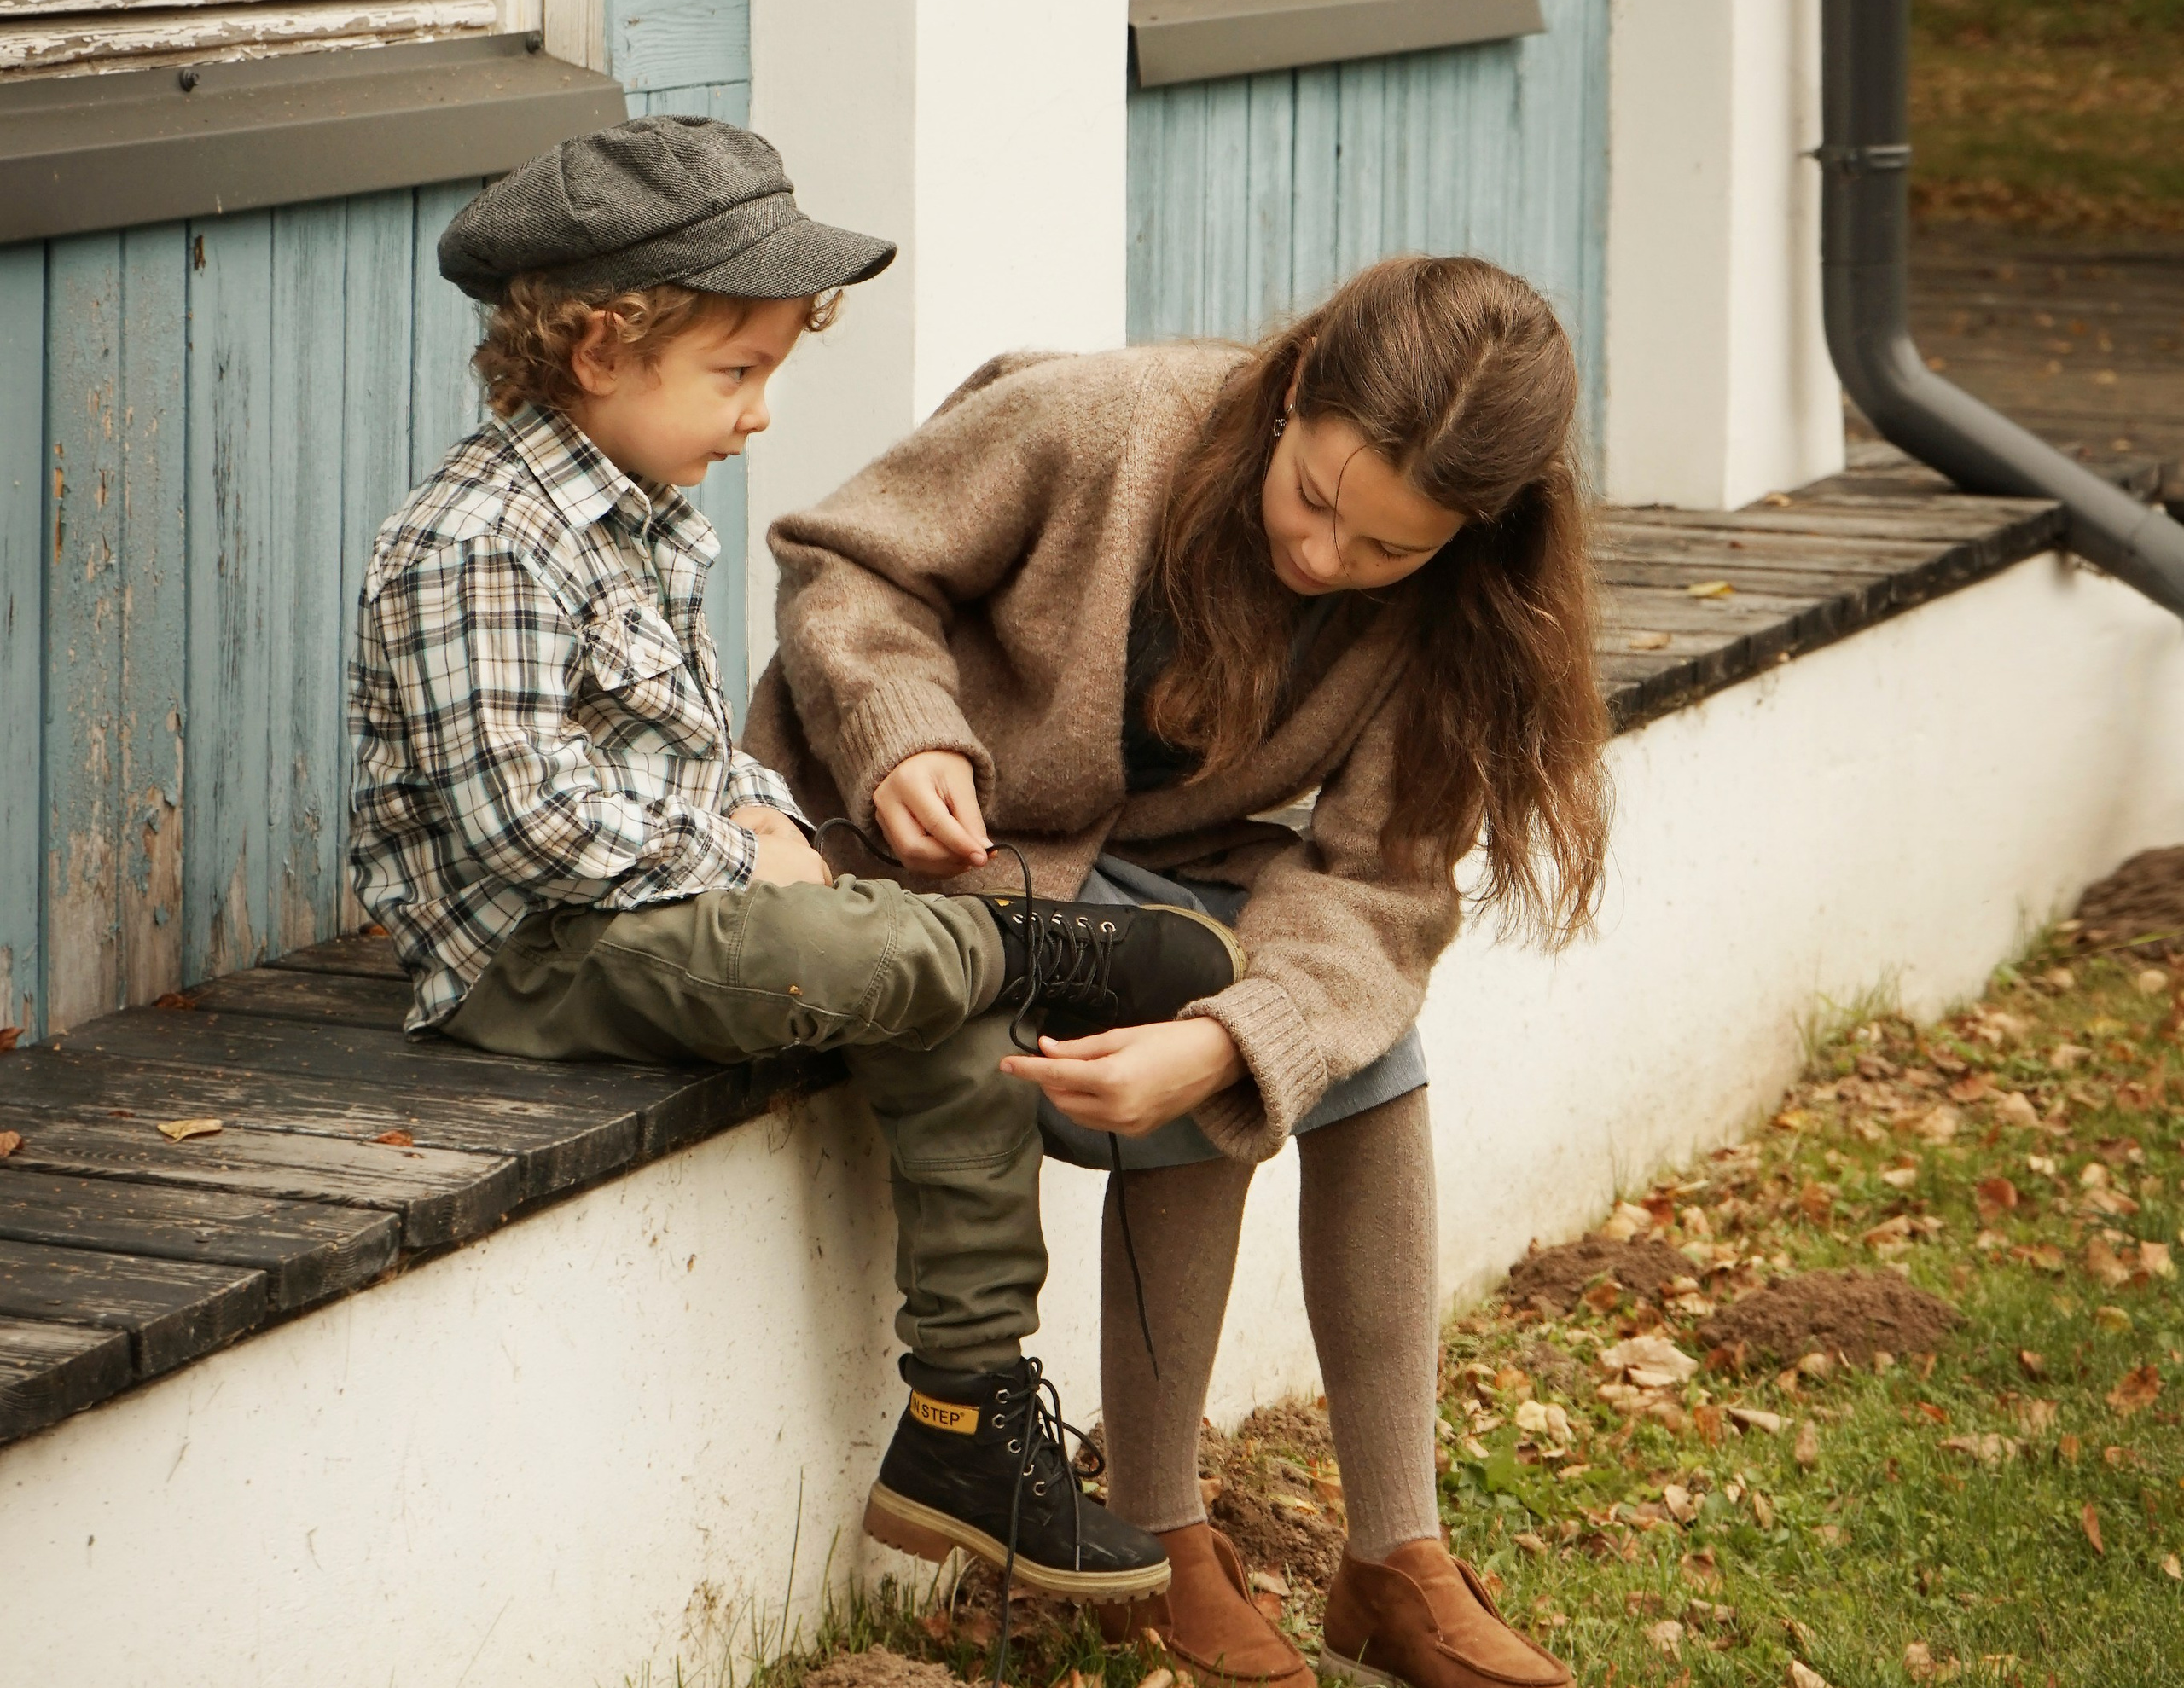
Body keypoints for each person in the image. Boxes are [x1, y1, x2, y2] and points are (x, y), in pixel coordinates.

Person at [346, 116, 1248, 1626]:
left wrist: (762, 823)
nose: (761, 413)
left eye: (770, 372)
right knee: (902, 958)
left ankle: (962, 1415)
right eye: (735, 372)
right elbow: (524, 827)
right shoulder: (477, 541)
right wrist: (740, 849)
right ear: (598, 348)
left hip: (673, 910)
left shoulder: (642, 521)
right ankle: (1042, 951)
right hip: (535, 958)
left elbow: (696, 746)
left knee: (939, 1007)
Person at [745, 254, 1611, 1688]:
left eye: (1389, 548)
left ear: (1473, 537)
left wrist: (1232, 1041)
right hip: (928, 854)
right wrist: (902, 723)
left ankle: (1396, 1555)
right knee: (1202, 971)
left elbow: (1379, 885)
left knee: (1302, 1019)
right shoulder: (1098, 425)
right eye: (1318, 499)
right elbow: (850, 555)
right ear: (1291, 397)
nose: (1329, 559)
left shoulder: (1455, 616)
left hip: (1121, 877)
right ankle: (1160, 1531)